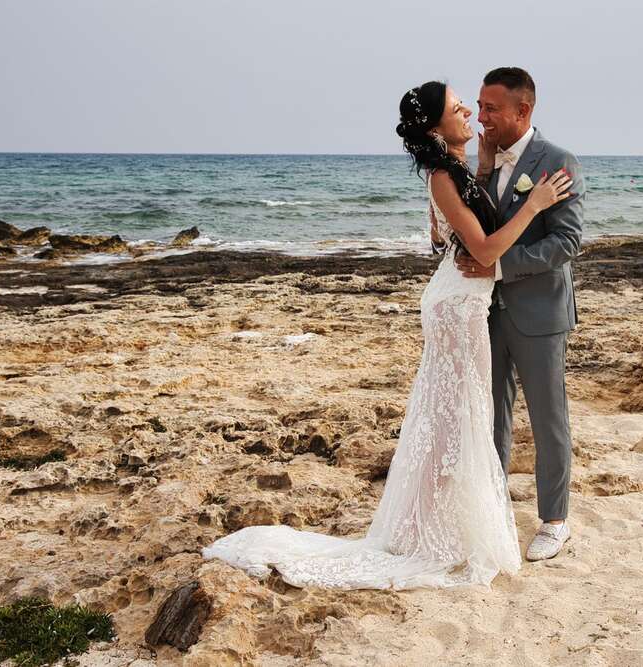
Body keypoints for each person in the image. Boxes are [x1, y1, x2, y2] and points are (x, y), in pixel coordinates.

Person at [200, 81, 572, 589]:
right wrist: (530, 206)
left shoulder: (473, 167)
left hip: (483, 303)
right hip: (460, 306)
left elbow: (459, 233)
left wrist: (485, 174)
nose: (471, 111)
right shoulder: (445, 174)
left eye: (480, 106)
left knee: (469, 416)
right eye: (461, 107)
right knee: (464, 416)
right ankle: (450, 526)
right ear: (435, 129)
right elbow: (481, 247)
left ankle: (499, 520)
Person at [455, 67, 585, 561]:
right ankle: (494, 511)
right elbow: (479, 225)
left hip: (539, 312)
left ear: (523, 110)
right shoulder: (486, 162)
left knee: (548, 419)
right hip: (486, 312)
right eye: (479, 106)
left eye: (491, 108)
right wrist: (484, 171)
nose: (481, 117)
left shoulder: (556, 161)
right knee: (491, 415)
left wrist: (500, 267)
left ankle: (555, 521)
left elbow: (567, 242)